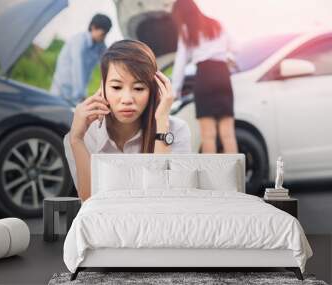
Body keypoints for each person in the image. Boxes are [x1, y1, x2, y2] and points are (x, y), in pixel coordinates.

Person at [63, 40, 192, 201]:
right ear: (102, 88)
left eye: (138, 88)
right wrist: (76, 139)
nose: (127, 99)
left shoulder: (176, 130)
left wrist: (162, 123)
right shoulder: (83, 135)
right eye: (116, 87)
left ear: (154, 90)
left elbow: (163, 199)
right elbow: (89, 201)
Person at [171, 0, 238, 154]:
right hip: (222, 75)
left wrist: (175, 90)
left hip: (204, 77)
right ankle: (236, 176)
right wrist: (228, 57)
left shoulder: (187, 29)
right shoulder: (216, 24)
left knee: (208, 136)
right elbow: (235, 47)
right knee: (228, 134)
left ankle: (211, 177)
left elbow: (180, 61)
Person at [51, 14, 112, 106]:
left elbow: (107, 64)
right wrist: (81, 95)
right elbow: (77, 68)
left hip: (78, 91)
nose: (104, 37)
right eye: (103, 34)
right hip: (62, 89)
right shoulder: (79, 41)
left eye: (106, 34)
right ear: (93, 27)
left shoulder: (100, 45)